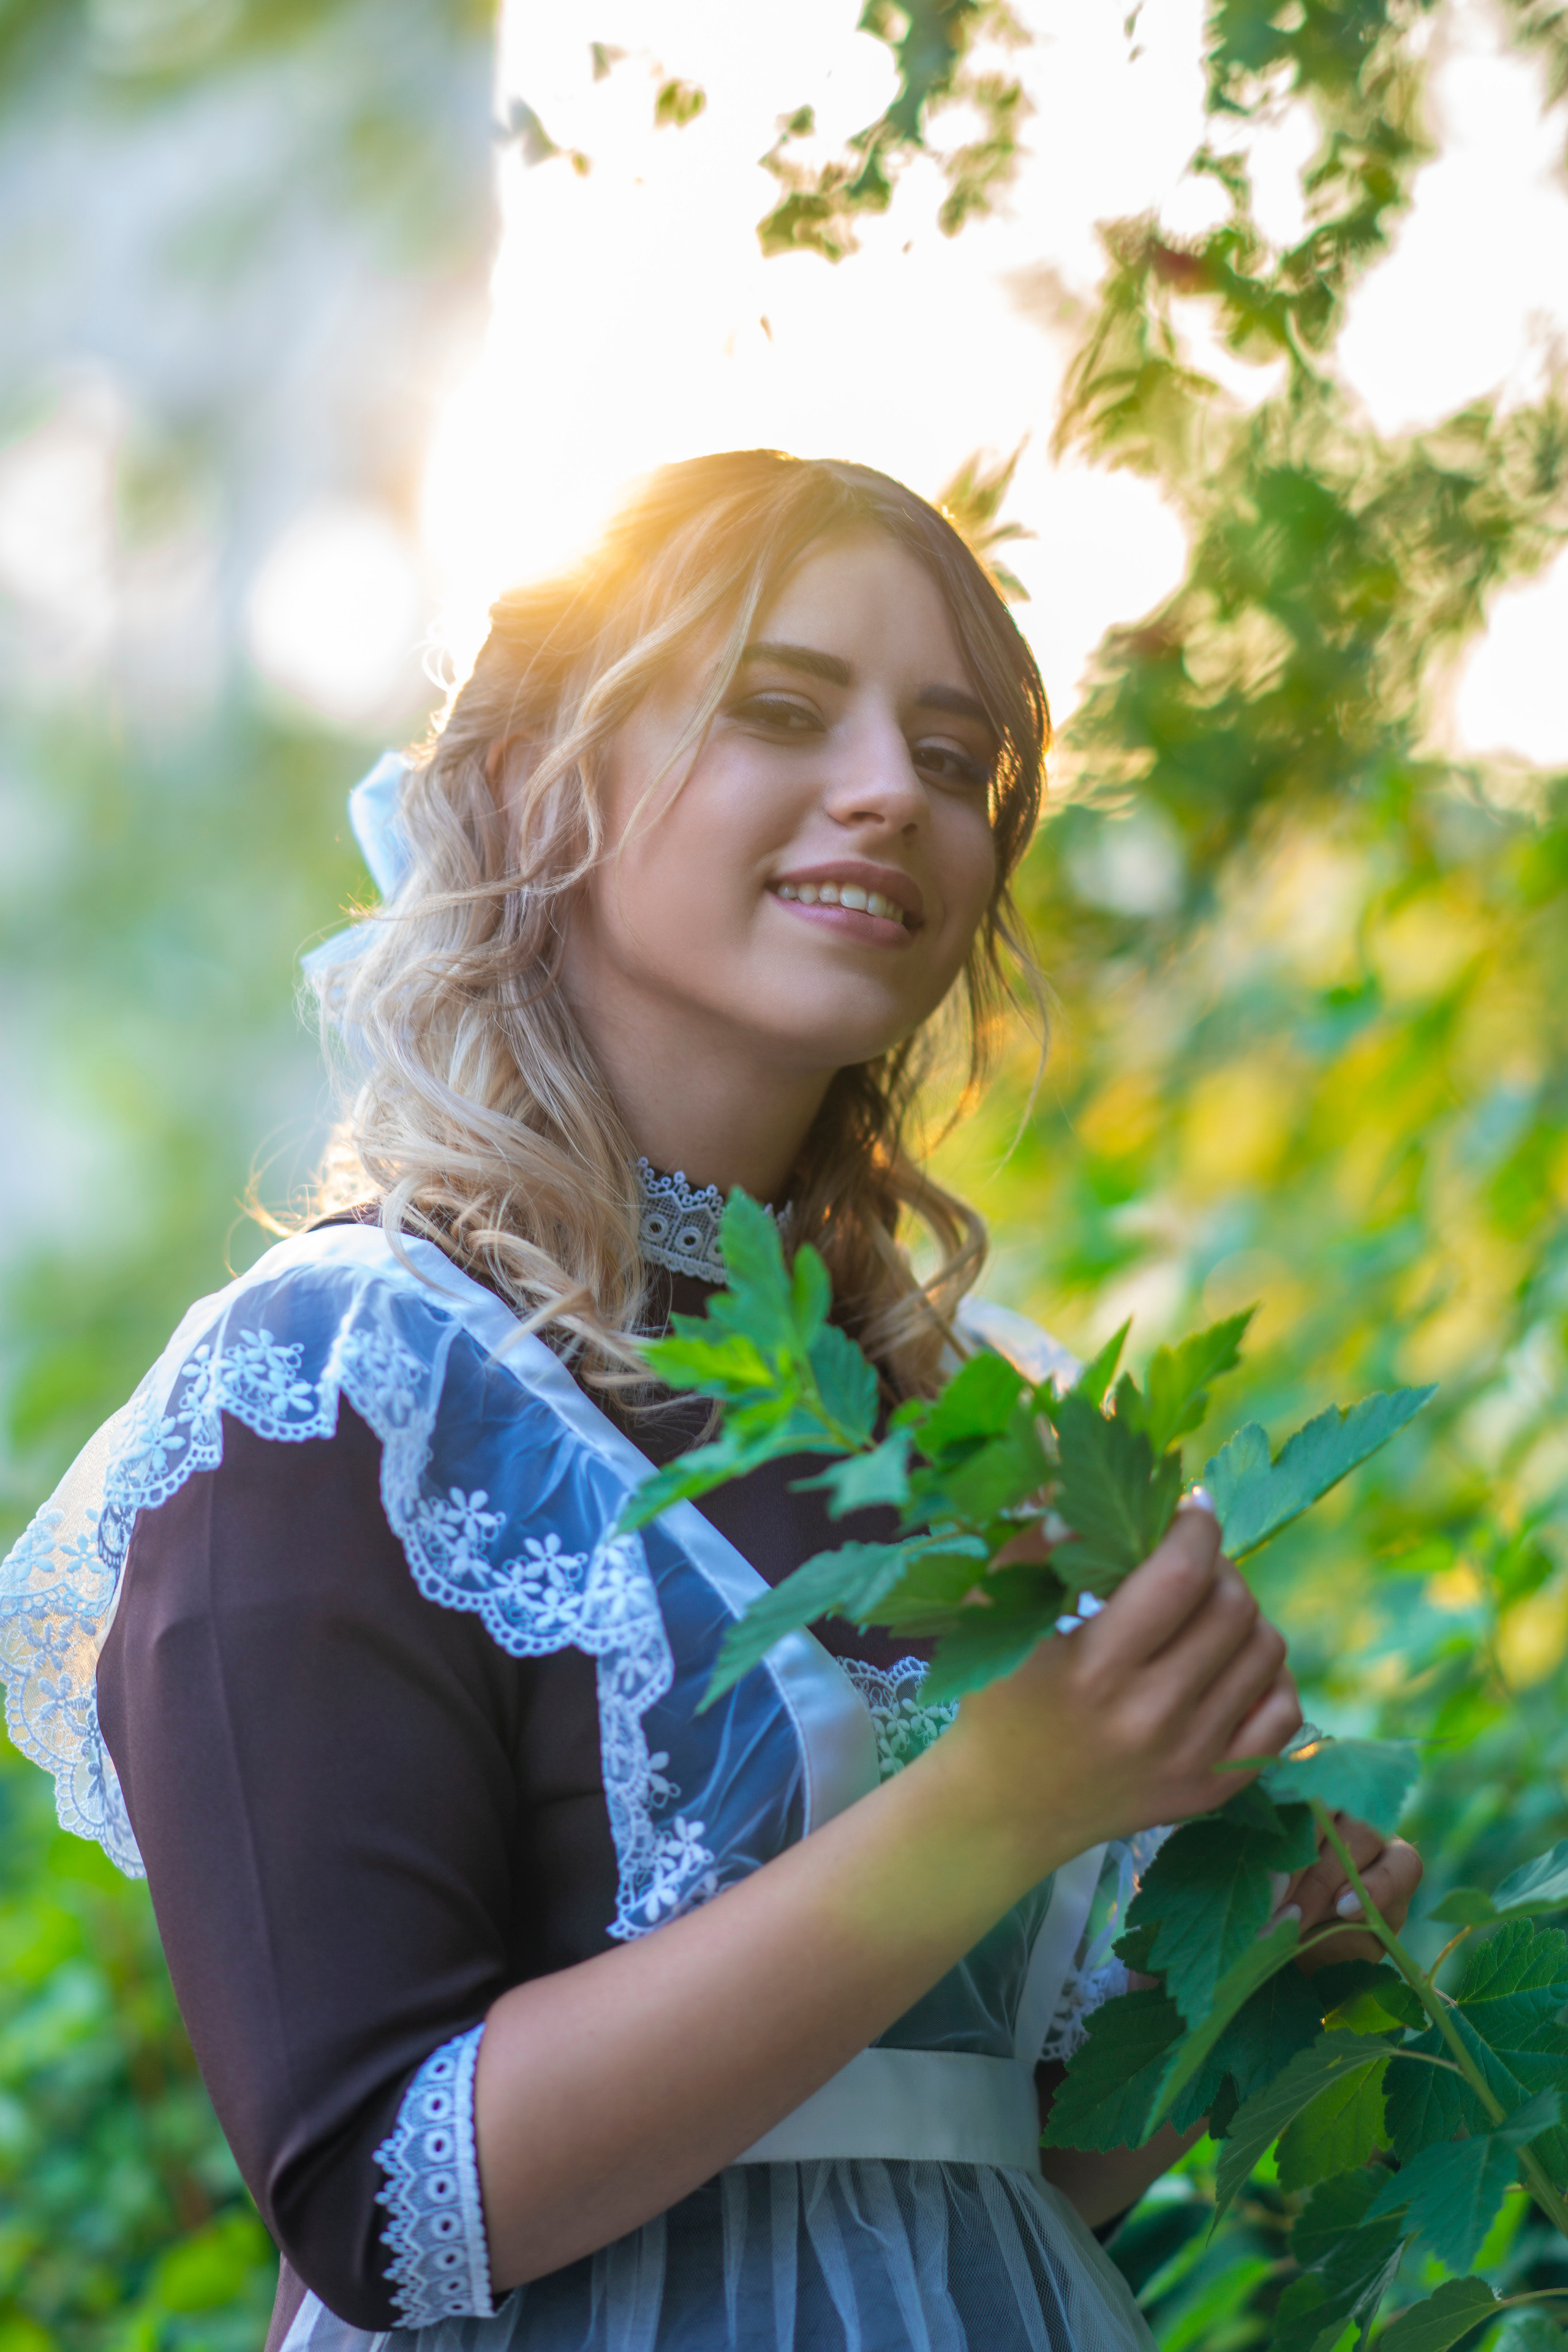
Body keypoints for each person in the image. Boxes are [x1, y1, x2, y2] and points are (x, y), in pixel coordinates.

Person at [0, 451, 1420, 2352]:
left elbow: (954, 2162)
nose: (889, 793)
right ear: (538, 781)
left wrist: (1243, 1983)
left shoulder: (977, 1413)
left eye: (952, 748)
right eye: (778, 706)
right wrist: (1000, 1808)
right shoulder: (340, 1390)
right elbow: (377, 2202)